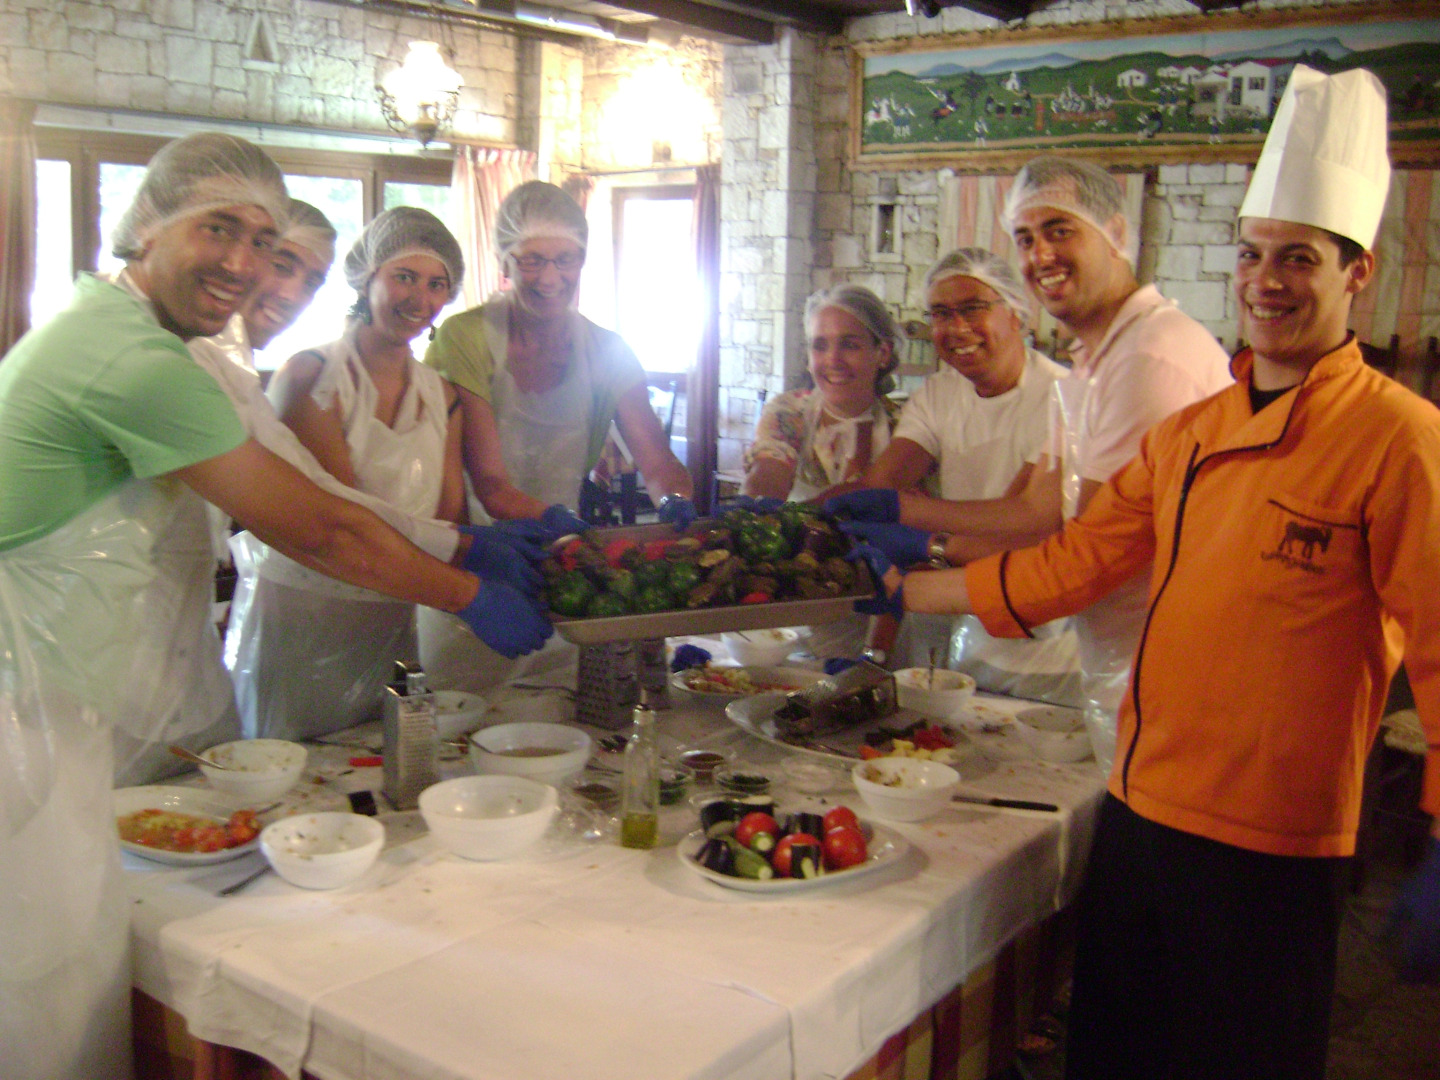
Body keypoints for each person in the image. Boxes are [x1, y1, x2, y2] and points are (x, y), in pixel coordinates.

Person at [865, 67, 1440, 1078]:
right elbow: (1075, 561)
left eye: (1299, 258)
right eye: (1254, 254)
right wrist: (900, 589)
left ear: (1360, 272)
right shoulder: (1199, 429)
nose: (1267, 279)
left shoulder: (1402, 440)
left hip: (1273, 839)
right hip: (1142, 802)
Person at [0, 134, 548, 1080]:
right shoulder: (132, 359)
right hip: (25, 711)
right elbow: (318, 532)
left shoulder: (138, 335)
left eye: (263, 239)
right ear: (144, 225)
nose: (245, 266)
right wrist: (470, 590)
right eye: (220, 230)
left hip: (75, 684)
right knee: (44, 985)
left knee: (109, 958)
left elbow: (322, 505)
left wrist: (463, 542)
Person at [830, 155, 1230, 767]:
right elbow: (1040, 508)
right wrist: (897, 511)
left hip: (1168, 683)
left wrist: (912, 583)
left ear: (1116, 233)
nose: (1041, 254)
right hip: (1123, 670)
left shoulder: (1150, 359)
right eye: (1025, 237)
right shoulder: (1098, 362)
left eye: (1060, 230)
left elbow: (1081, 560)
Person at [420, 180, 694, 690]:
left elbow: (657, 464)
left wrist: (678, 506)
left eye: (565, 259)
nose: (550, 278)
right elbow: (490, 484)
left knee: (557, 720)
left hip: (564, 574)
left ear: (583, 261)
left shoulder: (608, 349)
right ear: (504, 263)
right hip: (475, 563)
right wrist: (558, 523)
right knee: (464, 728)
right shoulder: (466, 338)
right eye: (531, 260)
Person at [225, 207, 471, 738]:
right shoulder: (311, 377)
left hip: (395, 613)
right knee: (295, 774)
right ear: (367, 277)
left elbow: (448, 516)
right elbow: (336, 515)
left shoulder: (443, 395)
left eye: (436, 284)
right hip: (304, 617)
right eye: (403, 276)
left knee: (379, 764)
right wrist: (462, 581)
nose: (418, 298)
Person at [858, 249, 1079, 691]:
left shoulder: (1063, 397)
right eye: (941, 313)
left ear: (1017, 313)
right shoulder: (939, 396)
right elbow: (881, 490)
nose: (956, 328)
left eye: (972, 308)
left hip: (1052, 650)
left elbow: (1021, 525)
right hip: (969, 629)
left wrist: (921, 531)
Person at [743, 282, 904, 502]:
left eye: (849, 345)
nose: (832, 360)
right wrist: (756, 505)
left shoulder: (905, 424)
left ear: (883, 353)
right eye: (819, 346)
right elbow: (769, 467)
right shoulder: (790, 411)